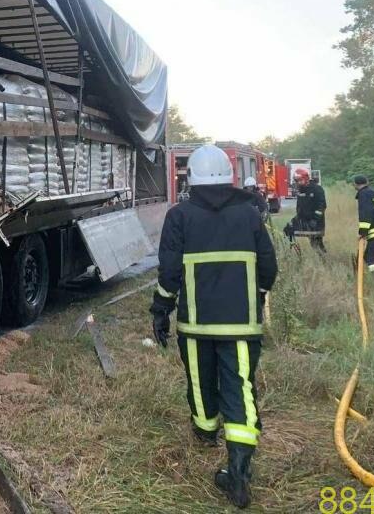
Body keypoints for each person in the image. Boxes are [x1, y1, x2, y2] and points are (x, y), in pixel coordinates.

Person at [151, 144, 278, 509]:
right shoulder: (249, 214)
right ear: (229, 176)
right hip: (240, 324)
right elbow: (268, 267)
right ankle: (239, 469)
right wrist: (258, 294)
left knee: (200, 379)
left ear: (191, 178)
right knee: (240, 387)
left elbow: (169, 272)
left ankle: (205, 432)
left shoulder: (179, 216)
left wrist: (161, 309)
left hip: (196, 323)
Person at [283, 169, 326, 252]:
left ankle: (323, 257)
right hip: (302, 220)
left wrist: (315, 219)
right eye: (296, 181)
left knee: (316, 244)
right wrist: (294, 220)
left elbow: (321, 206)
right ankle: (295, 252)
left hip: (316, 222)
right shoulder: (301, 190)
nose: (298, 183)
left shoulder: (317, 189)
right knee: (287, 230)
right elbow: (300, 208)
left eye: (299, 180)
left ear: (306, 178)